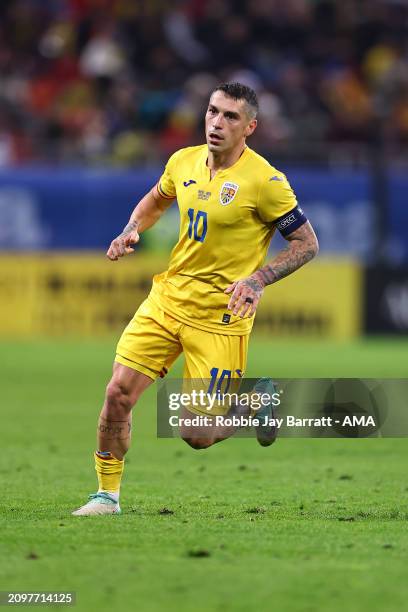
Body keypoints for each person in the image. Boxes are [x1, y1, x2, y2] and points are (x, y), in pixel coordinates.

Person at [72, 82, 319, 516]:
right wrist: (132, 228)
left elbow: (306, 243)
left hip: (219, 317)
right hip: (168, 299)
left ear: (250, 127)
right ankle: (106, 496)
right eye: (212, 111)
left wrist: (258, 279)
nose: (216, 123)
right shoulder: (182, 160)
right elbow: (156, 199)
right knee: (117, 394)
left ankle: (255, 403)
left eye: (230, 117)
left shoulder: (266, 181)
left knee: (196, 434)